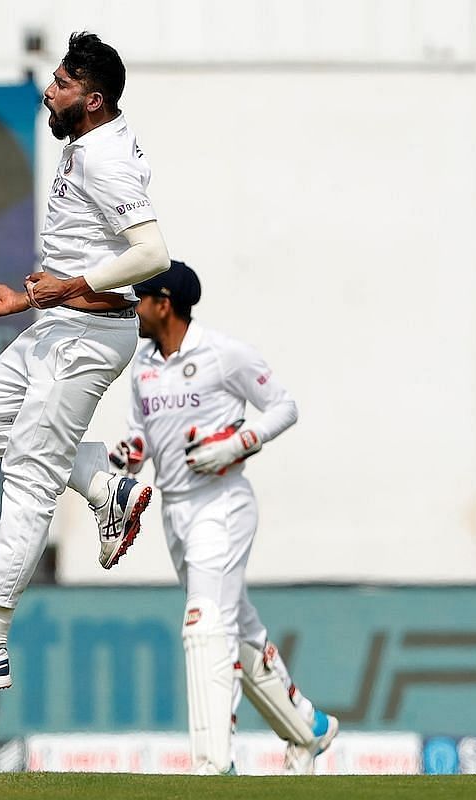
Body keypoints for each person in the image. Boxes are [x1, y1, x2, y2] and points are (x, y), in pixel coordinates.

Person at [0, 31, 170, 690]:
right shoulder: (86, 145)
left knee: (28, 476)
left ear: (95, 99)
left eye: (63, 85)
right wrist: (31, 294)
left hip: (85, 334)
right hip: (58, 324)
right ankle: (107, 485)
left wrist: (67, 288)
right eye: (53, 79)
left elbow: (153, 255)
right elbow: (87, 250)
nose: (50, 90)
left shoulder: (105, 158)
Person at [107, 260, 338, 775]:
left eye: (139, 299)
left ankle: (214, 765)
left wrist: (237, 443)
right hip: (176, 512)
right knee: (238, 631)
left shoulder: (222, 353)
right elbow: (140, 435)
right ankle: (311, 730)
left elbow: (283, 406)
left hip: (223, 504)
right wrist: (124, 457)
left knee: (205, 625)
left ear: (164, 303)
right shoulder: (143, 364)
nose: (133, 307)